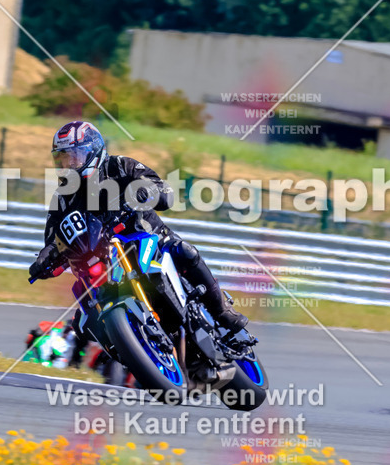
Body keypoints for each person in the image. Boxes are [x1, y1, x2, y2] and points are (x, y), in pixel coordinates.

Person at [28, 120, 248, 333]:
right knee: (83, 324)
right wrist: (44, 260)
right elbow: (54, 239)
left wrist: (147, 192)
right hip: (103, 260)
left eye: (73, 159)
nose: (67, 166)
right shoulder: (62, 198)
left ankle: (221, 310)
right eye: (62, 160)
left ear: (92, 152)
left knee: (185, 251)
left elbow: (165, 192)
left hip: (148, 236)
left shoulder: (120, 166)